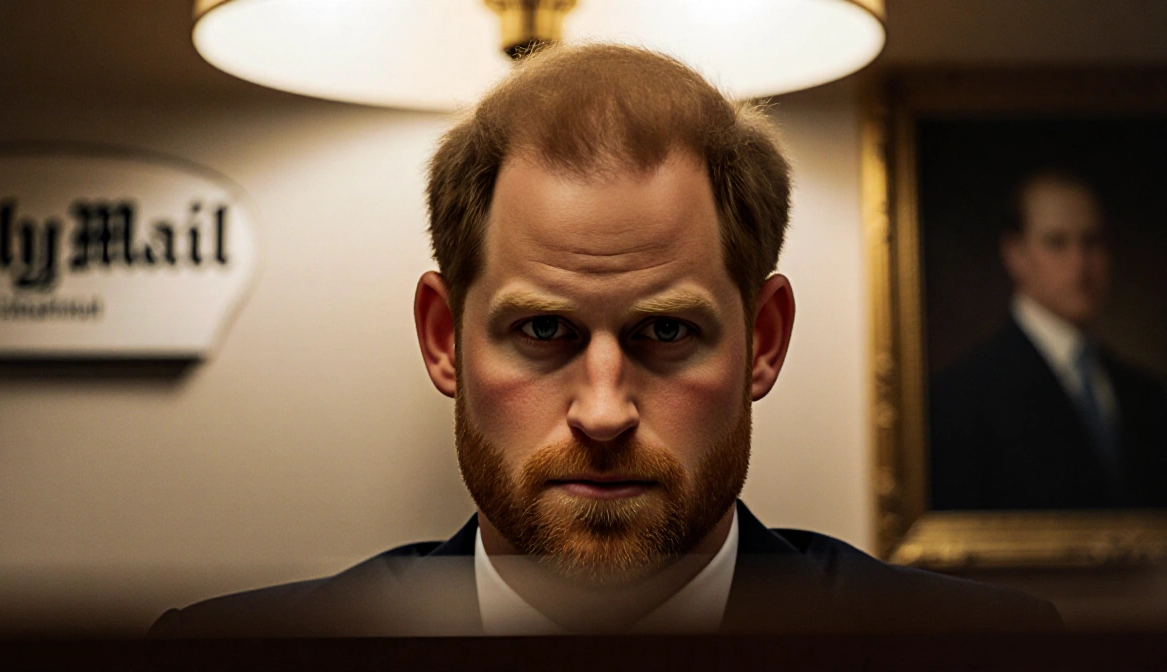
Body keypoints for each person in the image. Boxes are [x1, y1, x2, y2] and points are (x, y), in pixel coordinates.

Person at [150, 44, 1061, 637]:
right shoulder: (225, 657)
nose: (602, 410)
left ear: (765, 341)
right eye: (541, 330)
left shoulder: (990, 656)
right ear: (443, 340)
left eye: (667, 331)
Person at [930, 172, 1167, 511]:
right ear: (1015, 255)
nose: (1080, 264)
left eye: (1092, 242)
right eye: (1057, 242)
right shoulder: (961, 397)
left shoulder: (1146, 396)